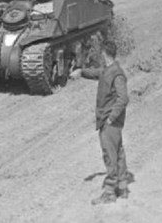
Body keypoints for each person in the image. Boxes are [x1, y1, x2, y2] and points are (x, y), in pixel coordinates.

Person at [70, 39, 130, 204]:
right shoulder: (108, 70)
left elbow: (123, 98)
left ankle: (110, 192)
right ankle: (123, 187)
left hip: (110, 120)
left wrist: (111, 117)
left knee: (109, 154)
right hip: (111, 121)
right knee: (118, 152)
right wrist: (81, 71)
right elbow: (96, 73)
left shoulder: (116, 73)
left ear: (104, 54)